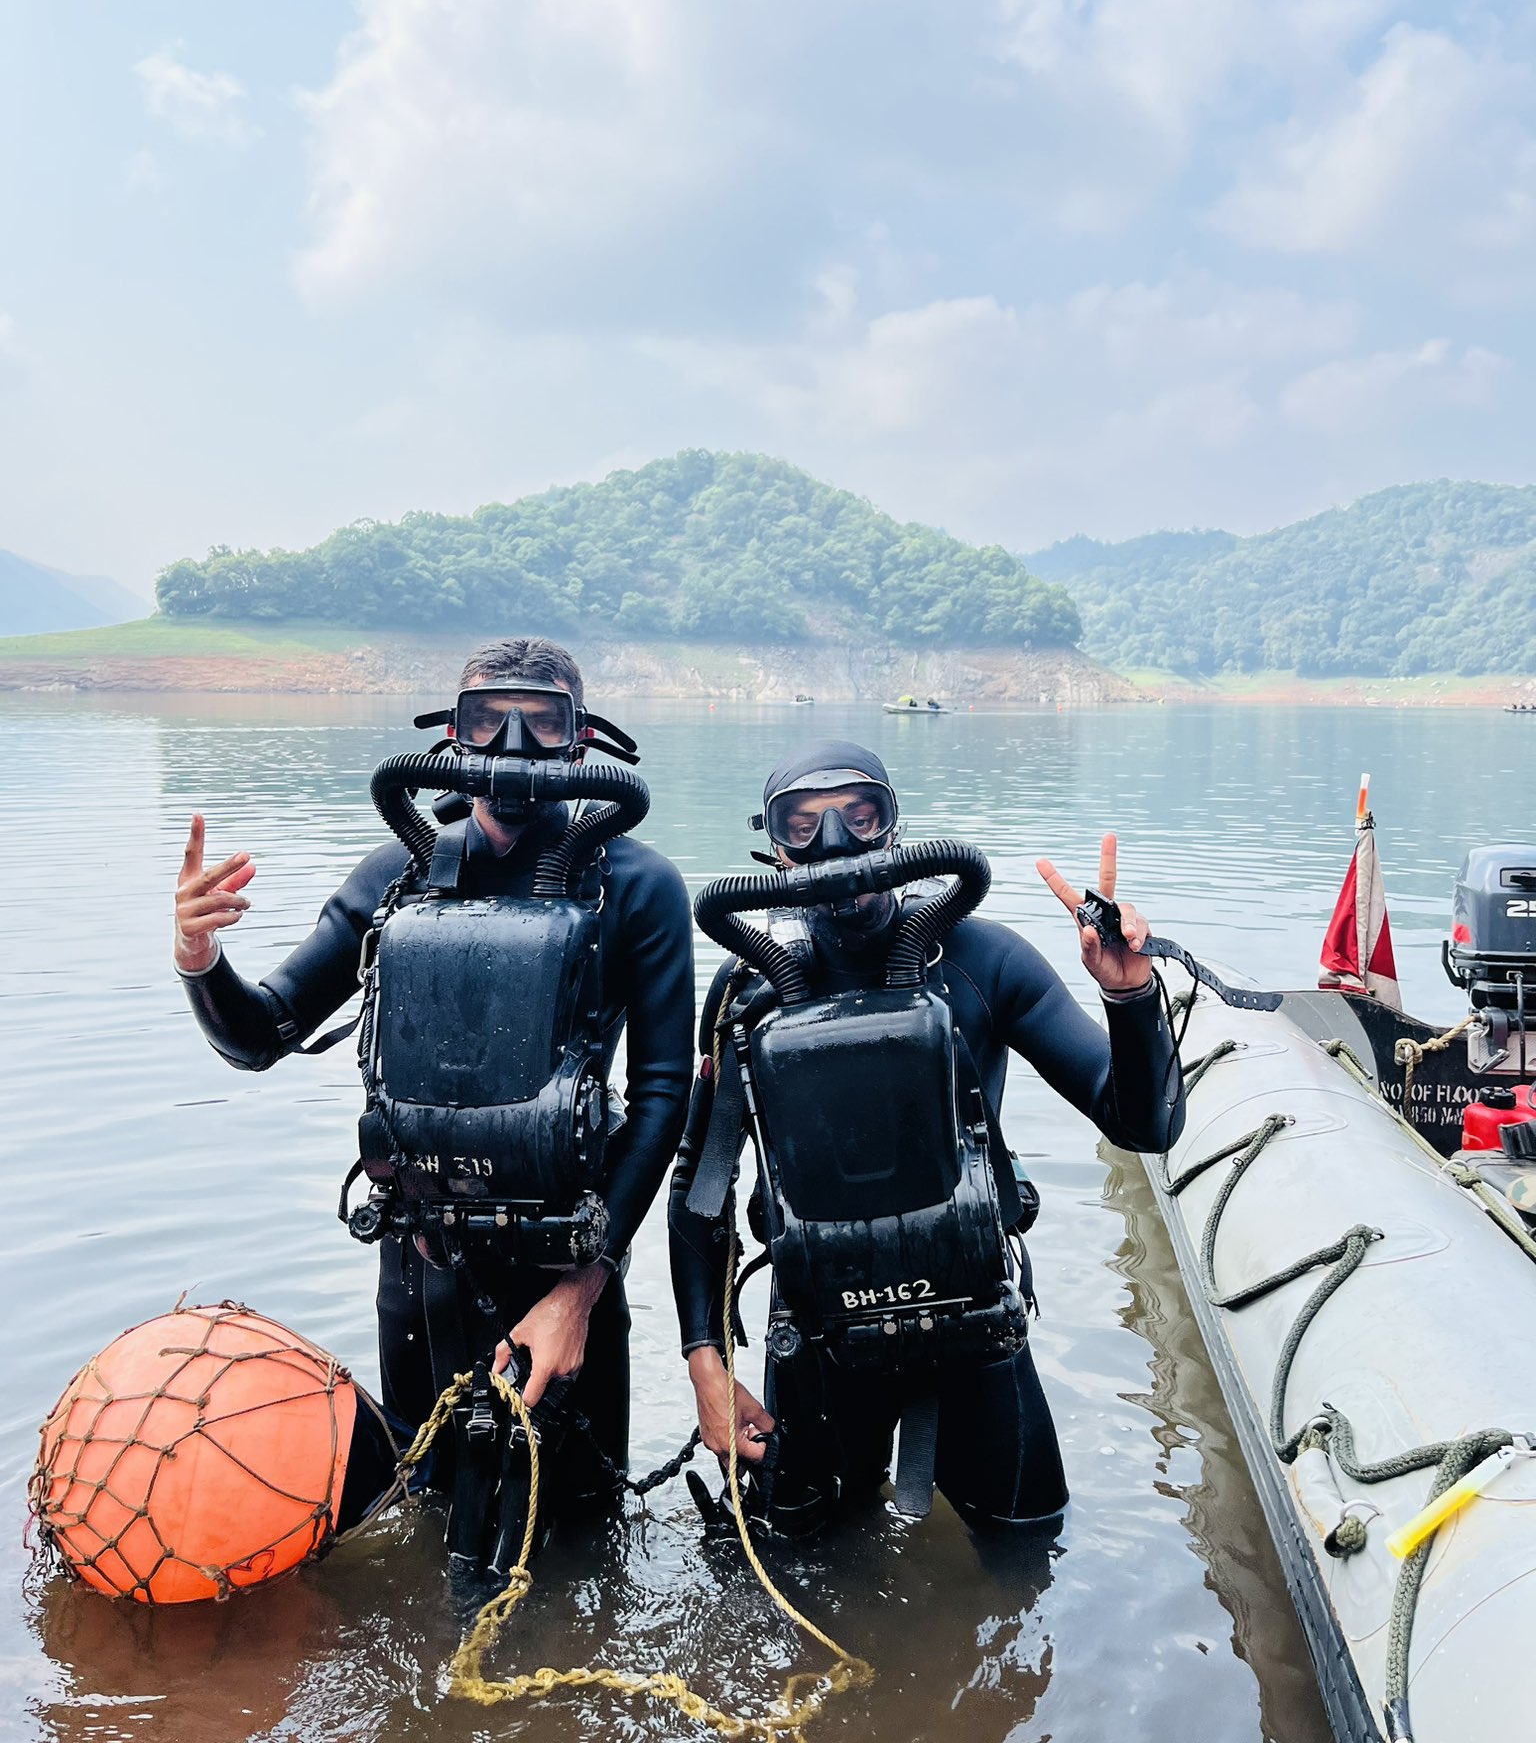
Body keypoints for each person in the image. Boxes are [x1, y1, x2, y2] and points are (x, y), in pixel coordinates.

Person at [173, 636, 694, 1535]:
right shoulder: (399, 874)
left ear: (583, 744)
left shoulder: (635, 884)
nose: (514, 748)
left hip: (566, 1258)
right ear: (450, 736)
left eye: (543, 723)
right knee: (424, 1510)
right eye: (489, 720)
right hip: (419, 1267)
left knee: (576, 1533)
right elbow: (262, 1036)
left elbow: (661, 1098)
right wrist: (200, 957)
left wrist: (582, 1290)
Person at [670, 740, 1184, 1535]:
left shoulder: (979, 959)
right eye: (802, 826)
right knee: (803, 1561)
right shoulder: (750, 984)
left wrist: (1131, 997)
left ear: (894, 828)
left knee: (1025, 1547)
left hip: (975, 1325)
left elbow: (1143, 1125)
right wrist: (705, 1361)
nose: (835, 842)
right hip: (817, 1337)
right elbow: (702, 1188)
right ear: (772, 849)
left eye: (858, 814)